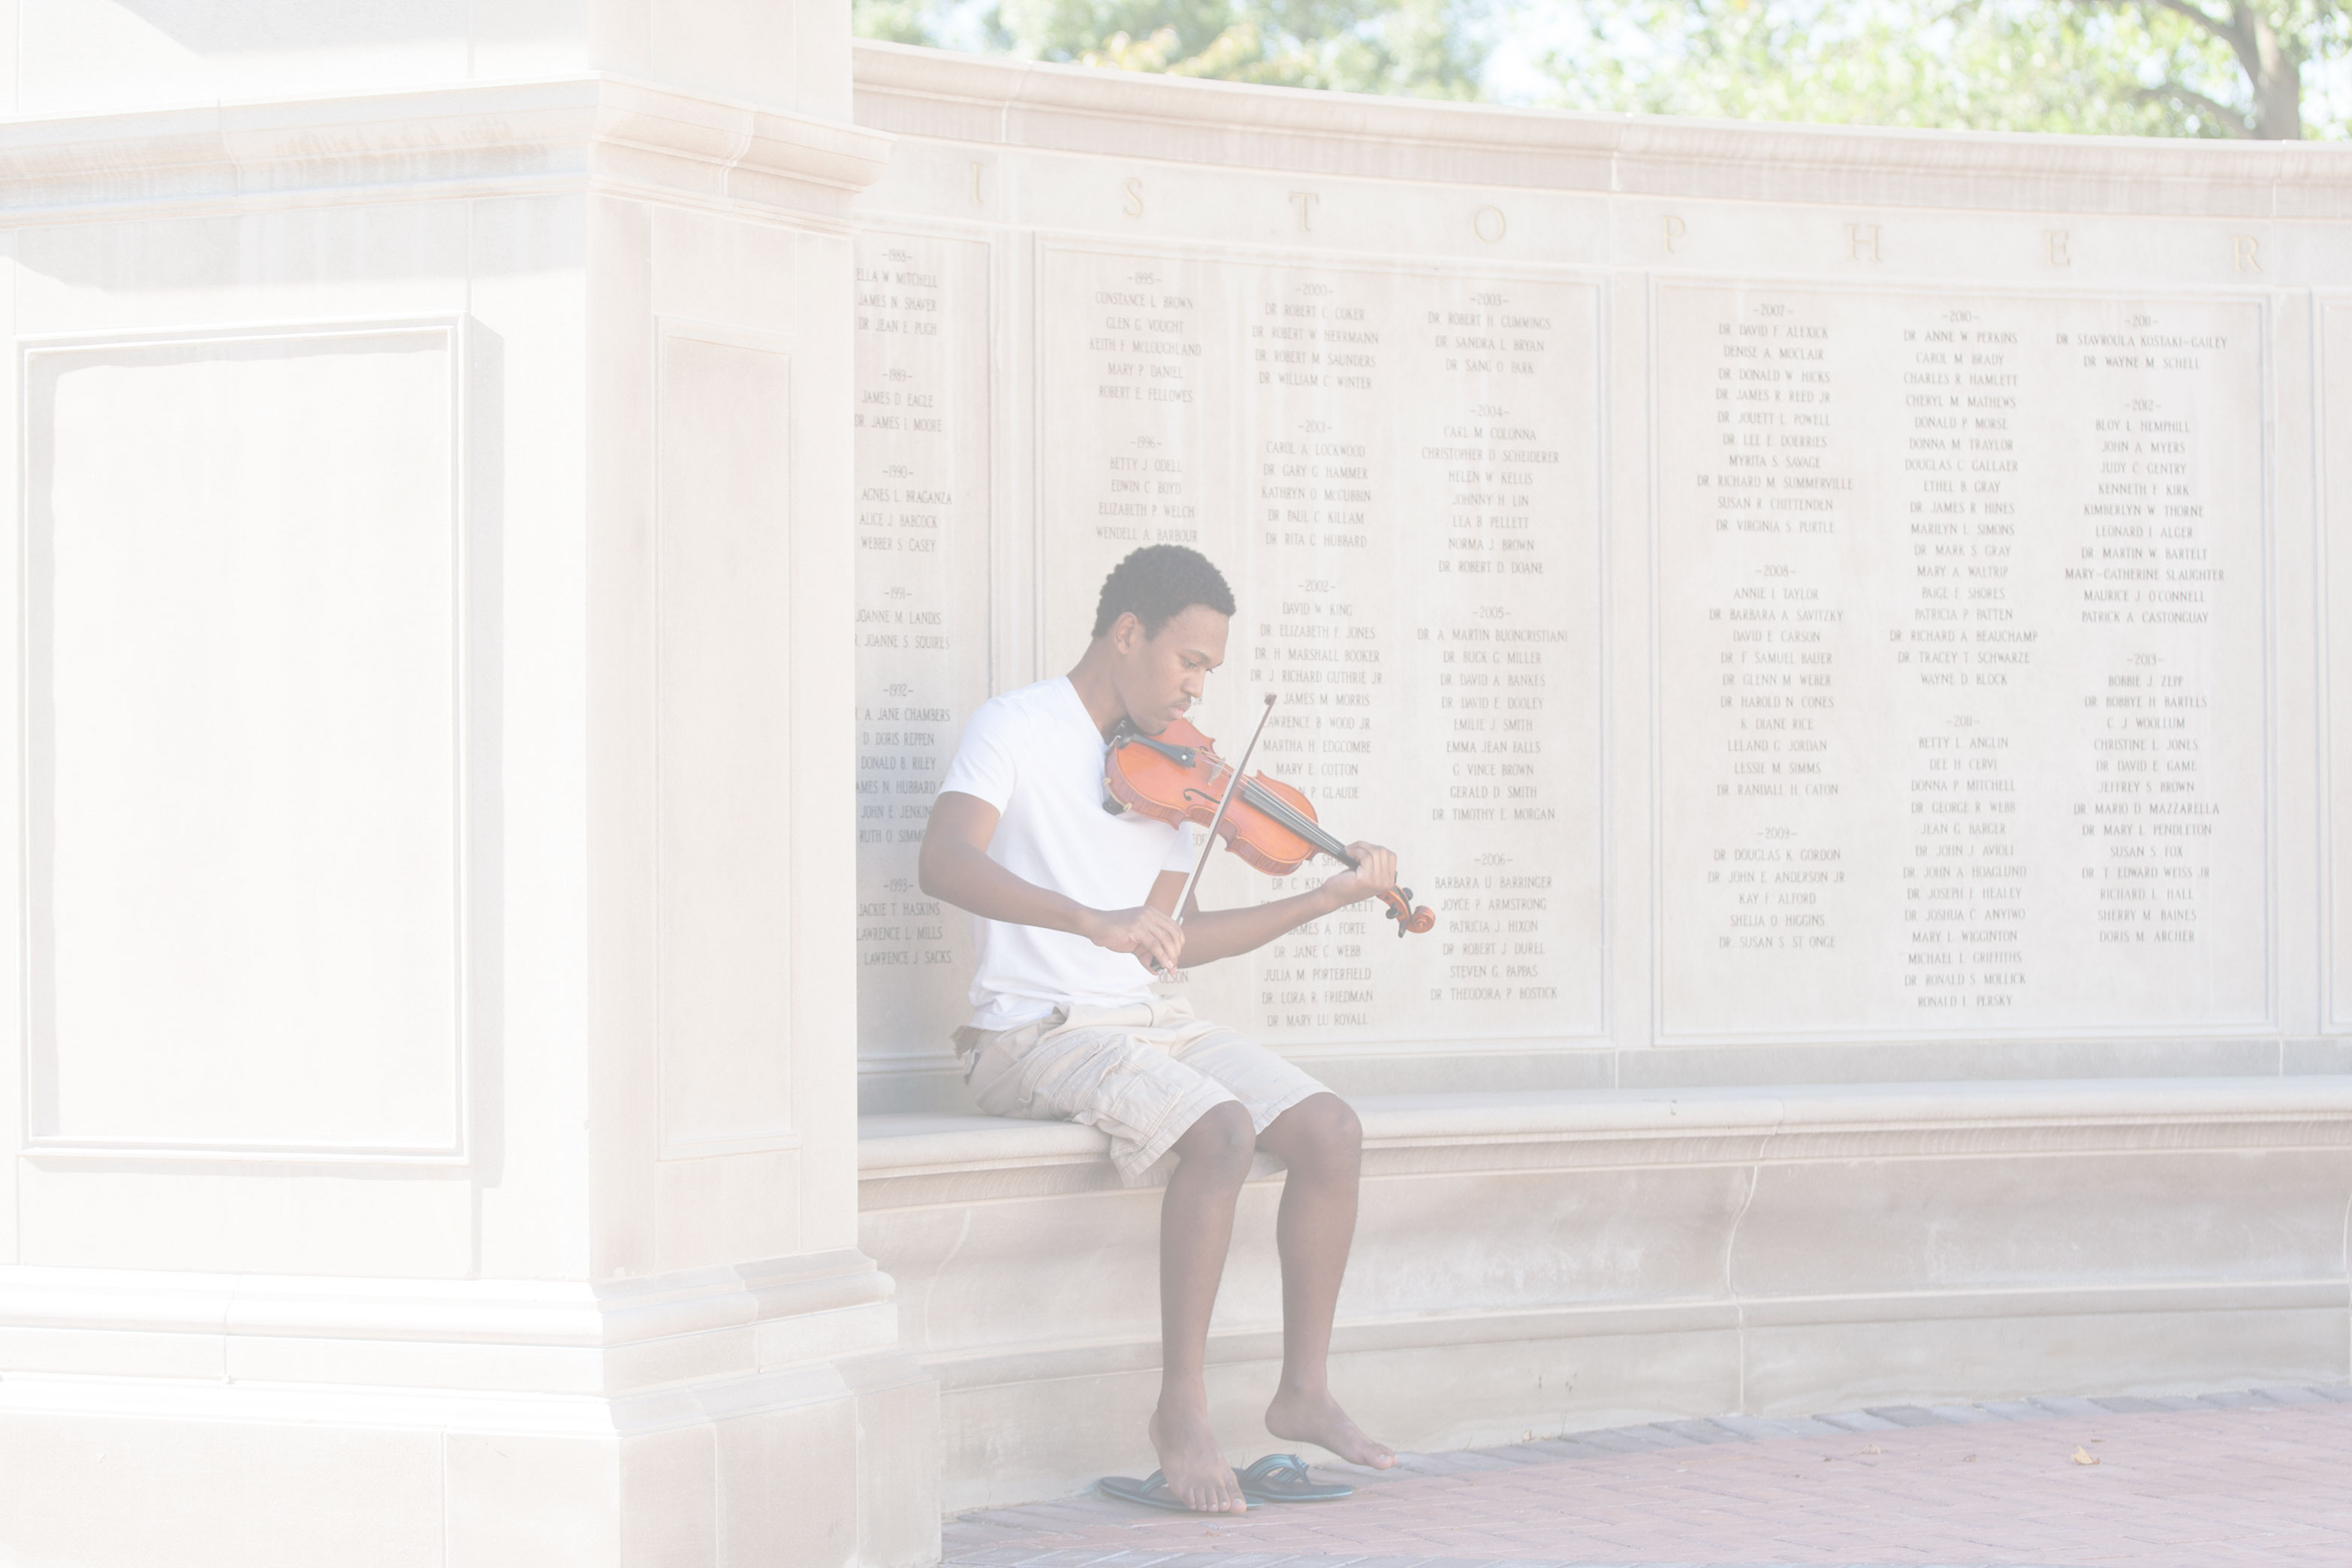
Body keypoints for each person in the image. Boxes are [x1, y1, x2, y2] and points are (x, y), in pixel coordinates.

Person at [918, 544, 1401, 1514]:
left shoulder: (1172, 774)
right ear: (1127, 634)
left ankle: (1303, 1390)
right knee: (1220, 1130)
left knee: (1331, 1131)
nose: (1196, 688)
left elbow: (1175, 943)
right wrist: (1087, 919)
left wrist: (1326, 898)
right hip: (1034, 1030)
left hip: (1146, 1020)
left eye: (1211, 671)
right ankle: (1181, 1411)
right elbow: (942, 862)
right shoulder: (1013, 727)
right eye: (1190, 661)